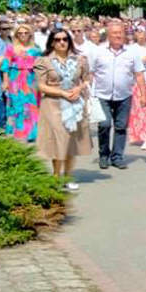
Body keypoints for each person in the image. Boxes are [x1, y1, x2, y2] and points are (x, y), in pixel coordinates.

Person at [33, 29, 92, 192]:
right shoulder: (43, 61)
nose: (62, 42)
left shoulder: (80, 59)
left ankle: (67, 175)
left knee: (71, 142)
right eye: (58, 39)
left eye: (65, 39)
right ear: (52, 42)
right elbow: (41, 85)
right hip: (53, 104)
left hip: (75, 104)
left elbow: (87, 79)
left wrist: (79, 89)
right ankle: (56, 176)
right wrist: (62, 92)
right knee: (59, 138)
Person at [90, 23, 146, 170]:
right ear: (108, 35)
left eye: (121, 33)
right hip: (102, 95)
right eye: (115, 33)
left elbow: (139, 74)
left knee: (121, 127)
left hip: (124, 95)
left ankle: (117, 156)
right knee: (104, 124)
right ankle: (104, 155)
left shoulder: (132, 52)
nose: (118, 36)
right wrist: (88, 93)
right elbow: (90, 73)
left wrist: (143, 94)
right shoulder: (98, 51)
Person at [1, 23, 43, 141]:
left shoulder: (36, 49)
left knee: (32, 105)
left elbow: (42, 66)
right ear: (16, 35)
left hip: (31, 79)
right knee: (17, 105)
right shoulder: (11, 48)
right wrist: (5, 82)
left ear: (30, 34)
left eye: (26, 33)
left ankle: (33, 133)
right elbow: (5, 66)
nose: (23, 35)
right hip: (15, 80)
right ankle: (19, 131)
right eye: (20, 33)